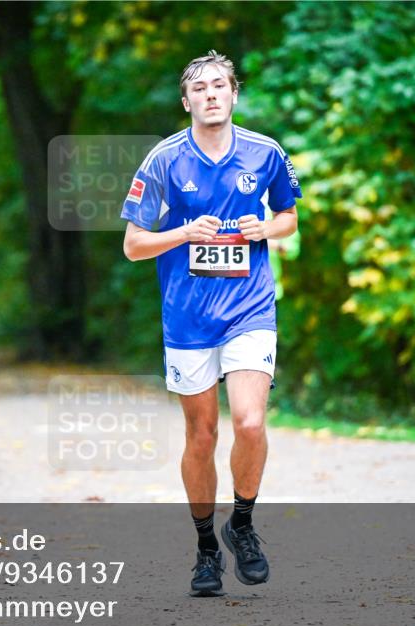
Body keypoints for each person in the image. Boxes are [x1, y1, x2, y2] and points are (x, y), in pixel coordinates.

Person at [121, 50, 301, 597]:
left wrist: (263, 229)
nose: (211, 95)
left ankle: (241, 524)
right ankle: (205, 549)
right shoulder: (163, 160)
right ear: (187, 101)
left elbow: (290, 219)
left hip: (249, 310)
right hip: (188, 317)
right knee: (202, 436)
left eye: (220, 85)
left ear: (234, 94)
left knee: (248, 423)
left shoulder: (265, 153)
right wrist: (182, 234)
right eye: (199, 88)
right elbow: (132, 245)